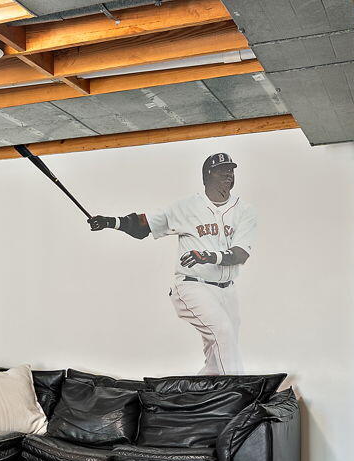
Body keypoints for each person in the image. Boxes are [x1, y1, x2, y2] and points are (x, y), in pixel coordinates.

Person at [88, 151, 256, 374]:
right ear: (207, 175)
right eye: (221, 170)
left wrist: (210, 256)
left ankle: (196, 398)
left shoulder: (244, 211)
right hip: (192, 286)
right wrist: (111, 222)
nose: (228, 174)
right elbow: (142, 225)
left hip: (228, 292)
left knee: (219, 356)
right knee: (223, 332)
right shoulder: (186, 207)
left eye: (231, 170)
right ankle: (237, 396)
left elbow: (240, 254)